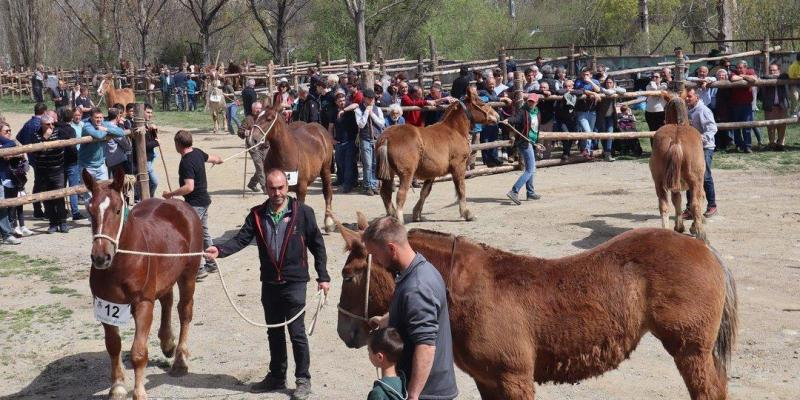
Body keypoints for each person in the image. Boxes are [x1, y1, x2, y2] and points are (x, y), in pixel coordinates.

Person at [204, 169, 330, 400]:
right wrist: (219, 250)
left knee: (297, 333)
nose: (277, 192)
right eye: (272, 188)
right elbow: (241, 239)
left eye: (281, 187)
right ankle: (276, 376)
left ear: (287, 187)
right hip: (270, 283)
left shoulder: (303, 212)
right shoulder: (257, 214)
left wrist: (323, 276)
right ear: (266, 189)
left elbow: (317, 245)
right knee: (274, 332)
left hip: (295, 282)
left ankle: (303, 379)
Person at [366, 217, 458, 400]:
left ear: (391, 248)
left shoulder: (417, 287)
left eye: (376, 255)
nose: (376, 261)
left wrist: (413, 395)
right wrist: (388, 319)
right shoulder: (420, 268)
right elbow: (418, 312)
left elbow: (426, 346)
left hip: (428, 392)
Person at [162, 130, 223, 280]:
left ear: (178, 145)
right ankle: (211, 263)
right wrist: (219, 160)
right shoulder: (197, 152)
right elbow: (213, 158)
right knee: (204, 231)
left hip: (196, 203)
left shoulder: (186, 162)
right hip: (203, 201)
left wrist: (171, 194)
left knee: (192, 234)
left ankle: (199, 268)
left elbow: (189, 187)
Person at [683, 87, 718, 219]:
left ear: (697, 97)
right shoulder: (686, 111)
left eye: (690, 96)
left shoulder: (703, 110)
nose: (687, 98)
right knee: (688, 176)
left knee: (705, 175)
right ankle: (690, 207)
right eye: (686, 96)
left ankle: (712, 205)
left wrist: (700, 139)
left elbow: (712, 128)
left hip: (705, 147)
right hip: (691, 148)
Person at [32, 115, 69, 233]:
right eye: (48, 124)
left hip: (57, 169)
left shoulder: (58, 131)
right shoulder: (36, 134)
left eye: (52, 124)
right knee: (47, 199)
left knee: (59, 197)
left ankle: (63, 222)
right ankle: (53, 223)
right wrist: (44, 138)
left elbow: (68, 137)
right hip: (43, 171)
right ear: (42, 125)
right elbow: (34, 150)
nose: (51, 126)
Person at [504, 93, 542, 204]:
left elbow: (536, 128)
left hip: (533, 142)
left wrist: (537, 142)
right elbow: (516, 118)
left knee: (530, 168)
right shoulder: (523, 111)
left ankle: (530, 192)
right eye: (529, 101)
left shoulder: (537, 112)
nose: (530, 103)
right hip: (525, 142)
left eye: (532, 101)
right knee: (531, 169)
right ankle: (514, 191)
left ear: (536, 102)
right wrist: (509, 120)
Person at [16, 102, 47, 218]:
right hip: (41, 157)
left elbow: (19, 137)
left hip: (32, 156)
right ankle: (38, 209)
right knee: (41, 182)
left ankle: (38, 208)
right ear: (44, 112)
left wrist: (28, 149)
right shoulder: (41, 124)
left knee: (39, 181)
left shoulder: (27, 124)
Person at [80, 107, 127, 183]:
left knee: (103, 190)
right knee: (88, 192)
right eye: (96, 118)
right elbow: (98, 135)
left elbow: (121, 132)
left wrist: (106, 129)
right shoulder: (87, 126)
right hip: (87, 165)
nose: (99, 120)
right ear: (91, 118)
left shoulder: (104, 124)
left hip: (101, 164)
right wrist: (107, 131)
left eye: (101, 117)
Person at [355, 89, 385, 196]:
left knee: (374, 163)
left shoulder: (377, 109)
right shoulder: (359, 110)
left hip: (376, 138)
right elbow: (361, 124)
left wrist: (371, 113)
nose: (372, 100)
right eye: (369, 98)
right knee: (367, 163)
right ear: (365, 98)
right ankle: (367, 186)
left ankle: (373, 185)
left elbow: (381, 124)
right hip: (366, 138)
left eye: (373, 98)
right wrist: (366, 112)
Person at [367, 327, 408, 400]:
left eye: (369, 351)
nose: (368, 354)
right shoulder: (403, 383)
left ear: (379, 357)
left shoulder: (378, 393)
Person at [1, 122, 23, 244]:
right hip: (3, 178)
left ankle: (7, 233)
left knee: (6, 206)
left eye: (10, 130)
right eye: (6, 131)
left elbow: (13, 143)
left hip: (8, 178)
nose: (9, 133)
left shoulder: (6, 141)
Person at [759, 63, 790, 151]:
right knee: (770, 126)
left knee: (782, 126)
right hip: (770, 106)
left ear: (778, 71)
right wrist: (772, 76)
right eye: (770, 70)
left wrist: (776, 76)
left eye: (774, 70)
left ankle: (780, 144)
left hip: (782, 106)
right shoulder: (765, 78)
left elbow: (786, 75)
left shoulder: (783, 77)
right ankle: (772, 144)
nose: (772, 72)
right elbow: (763, 76)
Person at [729, 60, 758, 153]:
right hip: (735, 104)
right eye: (738, 67)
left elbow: (754, 79)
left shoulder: (750, 71)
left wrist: (743, 76)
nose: (739, 69)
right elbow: (733, 78)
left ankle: (747, 146)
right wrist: (745, 78)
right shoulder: (733, 72)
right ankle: (739, 145)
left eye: (741, 67)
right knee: (736, 127)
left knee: (747, 126)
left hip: (747, 105)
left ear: (746, 67)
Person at [331, 93, 358, 192]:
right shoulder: (334, 112)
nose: (342, 102)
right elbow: (331, 126)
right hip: (338, 141)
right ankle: (343, 180)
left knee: (348, 164)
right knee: (340, 162)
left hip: (350, 140)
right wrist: (331, 138)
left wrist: (343, 110)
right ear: (336, 102)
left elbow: (356, 105)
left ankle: (347, 185)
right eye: (340, 101)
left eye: (343, 100)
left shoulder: (350, 109)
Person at [596, 77, 626, 162]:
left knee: (609, 134)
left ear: (613, 83)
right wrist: (612, 90)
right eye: (607, 82)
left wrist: (615, 89)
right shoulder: (602, 90)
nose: (608, 84)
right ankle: (606, 152)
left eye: (610, 82)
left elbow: (624, 90)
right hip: (602, 117)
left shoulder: (614, 90)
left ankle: (608, 153)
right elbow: (608, 92)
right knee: (603, 135)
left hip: (611, 117)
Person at [240, 101, 267, 193]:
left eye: (260, 108)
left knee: (265, 166)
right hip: (253, 146)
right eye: (257, 109)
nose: (259, 110)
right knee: (260, 167)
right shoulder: (248, 119)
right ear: (253, 109)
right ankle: (264, 187)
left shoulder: (264, 118)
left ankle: (252, 183)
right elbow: (240, 131)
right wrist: (244, 132)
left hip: (265, 145)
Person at [65, 108, 86, 220]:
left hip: (81, 156)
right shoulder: (71, 127)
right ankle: (74, 211)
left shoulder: (83, 125)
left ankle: (78, 204)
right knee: (73, 184)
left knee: (79, 180)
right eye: (75, 115)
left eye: (79, 115)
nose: (77, 117)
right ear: (72, 116)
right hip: (74, 156)